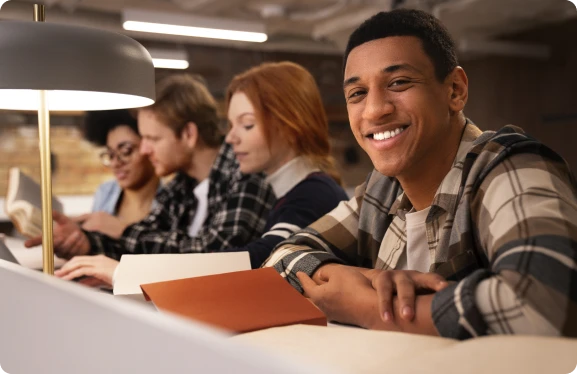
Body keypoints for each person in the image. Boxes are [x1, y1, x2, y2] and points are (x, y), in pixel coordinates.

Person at [263, 9, 577, 339]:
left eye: (398, 83)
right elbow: (281, 256)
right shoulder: (381, 191)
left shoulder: (511, 166)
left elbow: (547, 307)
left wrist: (365, 307)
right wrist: (343, 276)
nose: (374, 109)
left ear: (455, 90)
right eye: (358, 93)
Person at [25, 74, 274, 286]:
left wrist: (122, 230)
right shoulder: (181, 186)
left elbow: (214, 255)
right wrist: (85, 243)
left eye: (152, 139)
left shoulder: (244, 173)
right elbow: (146, 242)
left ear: (188, 134)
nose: (144, 150)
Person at [223, 61, 349, 268]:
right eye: (230, 125)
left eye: (247, 124)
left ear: (290, 126)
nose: (230, 137)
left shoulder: (315, 194)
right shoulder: (300, 191)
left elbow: (268, 256)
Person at [77, 109, 160, 236]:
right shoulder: (105, 192)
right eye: (110, 155)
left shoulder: (172, 201)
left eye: (126, 151)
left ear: (149, 148)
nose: (115, 163)